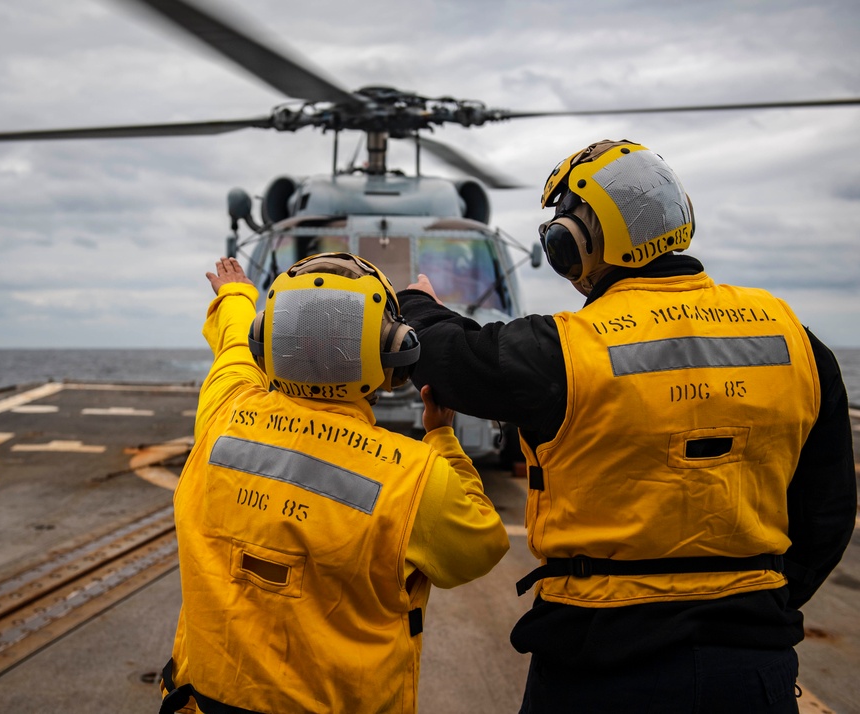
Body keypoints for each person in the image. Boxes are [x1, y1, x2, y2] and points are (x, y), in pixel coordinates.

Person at [398, 139, 856, 713]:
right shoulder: (796, 341)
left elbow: (447, 358)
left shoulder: (565, 349)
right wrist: (760, 602)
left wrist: (415, 303)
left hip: (598, 663)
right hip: (750, 666)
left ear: (574, 244)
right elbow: (828, 513)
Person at [160, 253, 510, 714]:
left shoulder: (224, 410)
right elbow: (480, 546)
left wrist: (235, 294)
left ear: (268, 338)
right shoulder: (414, 475)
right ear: (393, 352)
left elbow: (234, 345)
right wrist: (443, 437)